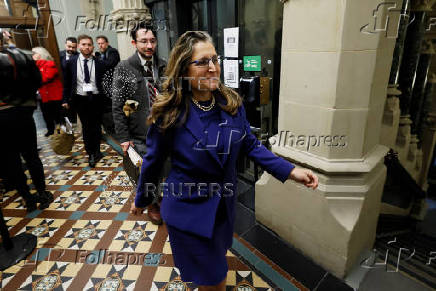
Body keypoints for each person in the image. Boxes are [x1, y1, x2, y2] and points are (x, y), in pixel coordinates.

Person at [130, 31, 319, 289]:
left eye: (215, 59)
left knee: (212, 271)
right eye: (202, 61)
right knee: (215, 279)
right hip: (188, 214)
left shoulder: (230, 103)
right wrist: (142, 199)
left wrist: (289, 170)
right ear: (184, 68)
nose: (212, 67)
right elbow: (152, 162)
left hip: (221, 212)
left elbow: (250, 144)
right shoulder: (170, 114)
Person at [112, 22, 166, 225]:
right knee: (145, 171)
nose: (149, 45)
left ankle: (159, 196)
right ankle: (152, 204)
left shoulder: (162, 65)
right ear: (134, 43)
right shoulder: (125, 68)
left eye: (152, 40)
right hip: (140, 133)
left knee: (161, 168)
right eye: (144, 41)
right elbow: (120, 106)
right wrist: (124, 138)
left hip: (163, 130)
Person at [0, 31, 54, 212]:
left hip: (3, 117)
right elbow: (37, 80)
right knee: (31, 156)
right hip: (22, 113)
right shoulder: (21, 56)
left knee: (12, 160)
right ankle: (42, 193)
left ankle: (27, 198)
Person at [62, 34, 106, 167]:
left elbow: (105, 82)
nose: (87, 47)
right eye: (83, 44)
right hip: (80, 99)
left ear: (93, 46)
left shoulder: (99, 63)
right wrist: (65, 99)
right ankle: (91, 153)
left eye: (89, 44)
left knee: (97, 126)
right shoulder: (71, 62)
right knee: (87, 127)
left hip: (97, 98)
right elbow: (67, 82)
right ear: (79, 46)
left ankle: (97, 150)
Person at [32, 47, 63, 137]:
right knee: (46, 115)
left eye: (34, 53)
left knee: (60, 116)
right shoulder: (34, 66)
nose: (32, 55)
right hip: (43, 97)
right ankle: (51, 131)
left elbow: (46, 78)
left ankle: (68, 132)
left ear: (40, 54)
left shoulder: (49, 64)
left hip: (55, 96)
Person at [96, 35, 120, 136]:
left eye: (102, 43)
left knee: (113, 107)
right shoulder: (101, 55)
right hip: (105, 85)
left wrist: (96, 60)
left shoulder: (112, 52)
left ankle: (115, 130)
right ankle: (109, 129)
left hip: (113, 84)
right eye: (99, 44)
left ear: (107, 43)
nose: (100, 45)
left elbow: (110, 64)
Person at [59, 37, 78, 124]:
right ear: (65, 45)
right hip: (61, 86)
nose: (71, 49)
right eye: (69, 46)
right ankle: (68, 132)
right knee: (64, 113)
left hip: (73, 88)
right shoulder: (58, 55)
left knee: (74, 112)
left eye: (73, 47)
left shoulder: (79, 56)